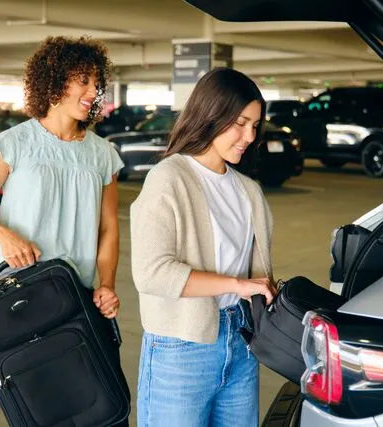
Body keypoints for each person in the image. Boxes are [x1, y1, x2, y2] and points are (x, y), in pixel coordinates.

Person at [130, 67, 276, 427]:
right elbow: (151, 273)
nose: (248, 136)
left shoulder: (248, 191)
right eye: (240, 123)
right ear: (211, 115)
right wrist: (236, 285)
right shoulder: (170, 178)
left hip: (241, 341)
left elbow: (256, 272)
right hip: (181, 348)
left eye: (255, 125)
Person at [0, 35, 124, 319]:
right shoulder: (13, 144)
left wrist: (106, 284)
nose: (93, 90)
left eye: (97, 83)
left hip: (74, 294)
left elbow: (108, 228)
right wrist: (5, 238)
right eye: (83, 80)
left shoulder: (103, 153)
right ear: (55, 80)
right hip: (15, 292)